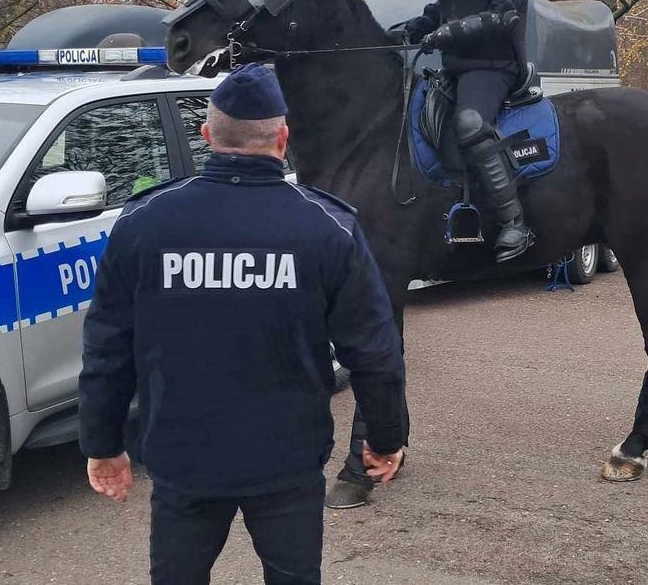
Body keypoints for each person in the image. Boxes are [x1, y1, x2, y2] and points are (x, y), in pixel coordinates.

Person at [78, 63, 406, 585]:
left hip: (182, 457)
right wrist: (386, 438)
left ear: (207, 135)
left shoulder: (145, 221)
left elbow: (108, 347)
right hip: (287, 460)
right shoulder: (326, 227)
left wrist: (101, 442)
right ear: (283, 138)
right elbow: (374, 351)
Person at [404, 0, 534, 263]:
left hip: (493, 67)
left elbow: (504, 15)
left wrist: (449, 33)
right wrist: (419, 25)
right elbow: (447, 9)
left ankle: (515, 223)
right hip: (458, 68)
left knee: (470, 124)